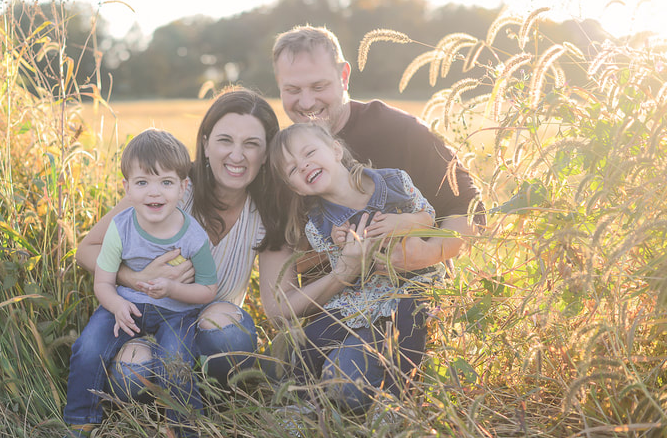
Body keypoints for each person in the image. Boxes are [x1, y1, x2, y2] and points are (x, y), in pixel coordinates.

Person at [258, 25, 486, 405]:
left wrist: (425, 253)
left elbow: (469, 206)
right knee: (286, 365)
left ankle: (389, 402)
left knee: (343, 384)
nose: (306, 101)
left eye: (319, 86)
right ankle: (300, 403)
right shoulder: (288, 165)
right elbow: (280, 301)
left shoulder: (399, 132)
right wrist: (339, 265)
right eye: (292, 90)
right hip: (340, 311)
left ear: (344, 75)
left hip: (407, 302)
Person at [73, 87, 285, 408]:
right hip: (148, 322)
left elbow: (278, 305)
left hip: (207, 331)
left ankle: (212, 400)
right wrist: (136, 278)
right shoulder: (167, 188)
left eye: (252, 144)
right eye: (225, 140)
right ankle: (157, 405)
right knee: (132, 373)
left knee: (227, 333)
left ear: (266, 153)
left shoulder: (266, 212)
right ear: (205, 143)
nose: (237, 155)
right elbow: (87, 249)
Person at [55, 129, 218, 438]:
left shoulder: (193, 236)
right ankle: (78, 430)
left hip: (178, 312)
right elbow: (103, 280)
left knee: (174, 358)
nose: (154, 192)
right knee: (87, 347)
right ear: (127, 189)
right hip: (125, 305)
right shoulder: (120, 227)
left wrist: (173, 290)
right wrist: (114, 305)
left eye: (165, 182)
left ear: (182, 188)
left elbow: (207, 291)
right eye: (142, 183)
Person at [268, 122, 446, 412]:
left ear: (336, 150)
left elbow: (429, 217)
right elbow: (346, 269)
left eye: (309, 152)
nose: (303, 166)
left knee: (409, 317)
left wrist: (404, 222)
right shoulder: (319, 224)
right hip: (359, 299)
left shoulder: (393, 182)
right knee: (302, 341)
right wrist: (338, 245)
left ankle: (395, 401)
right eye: (292, 169)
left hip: (409, 285)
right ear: (294, 188)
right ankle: (298, 404)